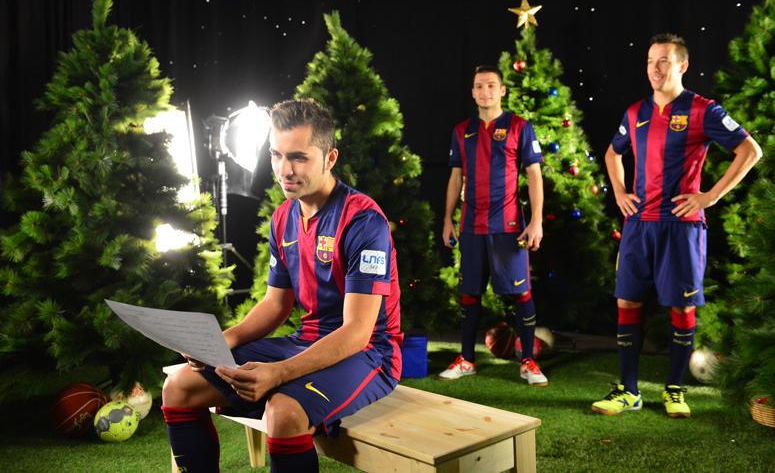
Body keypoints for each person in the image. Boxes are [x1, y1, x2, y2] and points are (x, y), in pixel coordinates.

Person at [161, 99, 402, 472]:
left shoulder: (363, 221)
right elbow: (276, 305)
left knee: (284, 412)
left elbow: (357, 332)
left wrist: (279, 372)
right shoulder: (283, 217)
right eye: (276, 155)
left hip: (370, 354)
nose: (285, 170)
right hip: (306, 341)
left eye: (299, 158)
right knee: (179, 387)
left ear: (330, 158)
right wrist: (221, 342)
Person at [591, 34, 762, 418]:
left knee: (681, 306)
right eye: (650, 61)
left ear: (682, 65)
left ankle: (674, 389)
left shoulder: (704, 110)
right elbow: (612, 153)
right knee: (627, 301)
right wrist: (619, 191)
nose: (655, 68)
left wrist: (710, 196)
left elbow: (750, 151)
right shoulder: (635, 112)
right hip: (639, 225)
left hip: (681, 227)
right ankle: (628, 390)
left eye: (664, 61)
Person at [439, 64, 547, 386]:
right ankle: (467, 359)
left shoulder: (520, 127)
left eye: (490, 85)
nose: (484, 91)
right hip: (471, 225)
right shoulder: (462, 131)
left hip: (509, 226)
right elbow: (455, 177)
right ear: (473, 92)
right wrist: (447, 219)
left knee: (520, 292)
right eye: (479, 86)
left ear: (502, 91)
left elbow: (534, 175)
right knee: (469, 292)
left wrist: (537, 220)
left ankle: (528, 362)